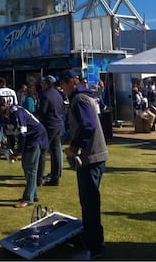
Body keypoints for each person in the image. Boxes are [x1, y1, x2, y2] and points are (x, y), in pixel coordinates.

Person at [59, 69, 108, 261]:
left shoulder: (79, 99)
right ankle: (92, 242)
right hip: (94, 155)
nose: (62, 89)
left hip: (91, 157)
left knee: (89, 203)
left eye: (63, 85)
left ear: (71, 82)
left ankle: (94, 247)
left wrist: (74, 147)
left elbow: (88, 125)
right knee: (89, 202)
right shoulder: (85, 97)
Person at [0, 96, 48, 208]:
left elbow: (22, 134)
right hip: (29, 139)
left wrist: (18, 151)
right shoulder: (7, 116)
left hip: (35, 138)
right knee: (27, 167)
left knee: (30, 169)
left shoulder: (16, 113)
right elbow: (10, 134)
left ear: (4, 105)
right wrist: (11, 150)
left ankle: (27, 198)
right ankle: (33, 194)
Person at [37, 75, 66, 187]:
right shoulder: (57, 94)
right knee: (55, 150)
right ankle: (56, 176)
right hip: (58, 124)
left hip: (49, 125)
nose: (41, 84)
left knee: (42, 151)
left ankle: (38, 179)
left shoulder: (45, 95)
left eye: (43, 82)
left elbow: (42, 112)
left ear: (47, 83)